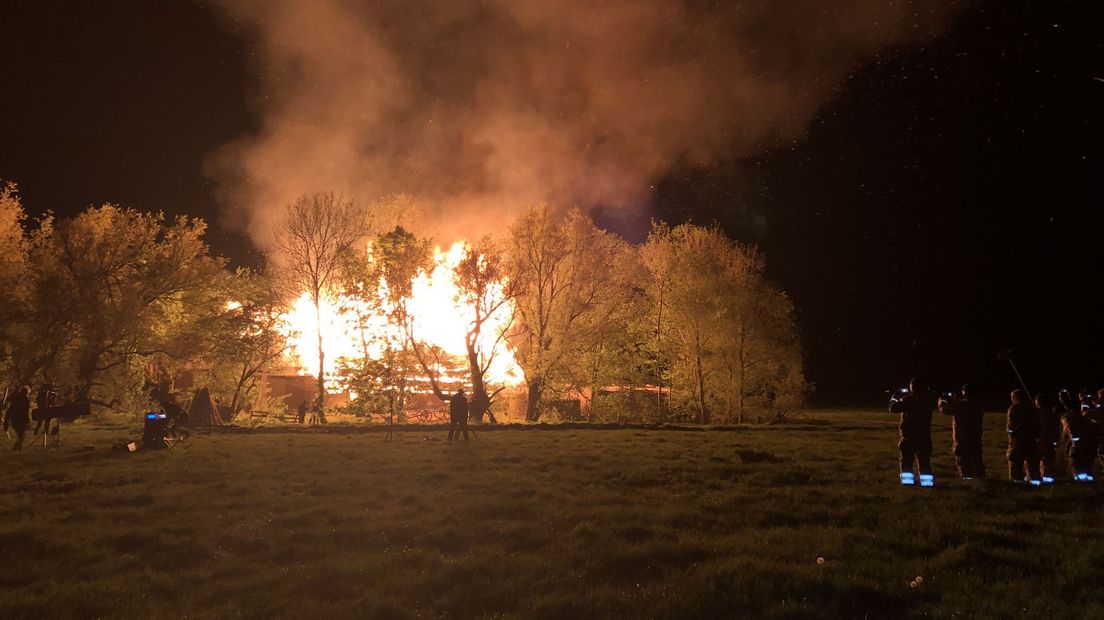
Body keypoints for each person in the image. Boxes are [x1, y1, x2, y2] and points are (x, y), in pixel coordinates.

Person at [889, 378, 936, 487]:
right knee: (924, 461)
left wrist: (895, 397)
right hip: (924, 436)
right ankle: (927, 484)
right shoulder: (928, 400)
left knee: (906, 461)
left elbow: (893, 408)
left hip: (909, 436)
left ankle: (907, 483)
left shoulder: (908, 400)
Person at [938, 384, 985, 480]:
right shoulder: (978, 404)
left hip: (962, 437)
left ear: (964, 392)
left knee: (963, 460)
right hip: (975, 436)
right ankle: (981, 478)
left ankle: (968, 479)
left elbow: (945, 410)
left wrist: (941, 400)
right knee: (977, 459)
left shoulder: (961, 405)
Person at [1007, 389, 1042, 485]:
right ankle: (1035, 483)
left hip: (1018, 441)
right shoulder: (1033, 410)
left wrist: (1012, 432)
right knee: (1033, 464)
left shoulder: (1014, 409)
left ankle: (1017, 483)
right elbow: (1039, 426)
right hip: (1032, 441)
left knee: (1016, 462)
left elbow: (1010, 426)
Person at [1063, 391, 1098, 481]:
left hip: (1078, 445)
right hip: (1087, 443)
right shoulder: (1085, 418)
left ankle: (1082, 480)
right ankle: (1088, 479)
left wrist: (1074, 441)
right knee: (1085, 463)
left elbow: (1072, 431)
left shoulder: (1071, 418)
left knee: (1075, 462)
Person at [1036, 393, 1061, 483]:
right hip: (1050, 441)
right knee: (1048, 462)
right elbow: (1057, 429)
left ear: (1038, 402)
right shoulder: (1052, 415)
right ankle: (1048, 478)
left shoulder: (1035, 413)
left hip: (1038, 441)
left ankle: (1036, 478)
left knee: (1035, 461)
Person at [3, 386, 31, 451]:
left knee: (21, 436)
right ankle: (15, 449)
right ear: (27, 393)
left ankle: (18, 449)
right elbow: (26, 412)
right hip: (20, 420)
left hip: (14, 419)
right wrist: (27, 421)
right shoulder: (26, 400)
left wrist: (6, 422)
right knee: (22, 436)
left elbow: (9, 411)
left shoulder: (16, 398)